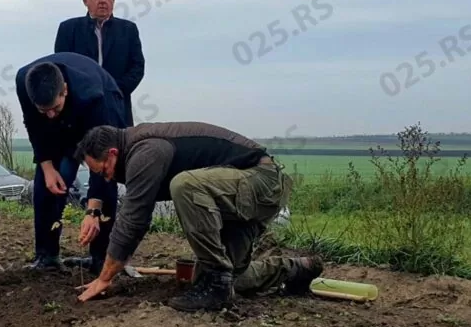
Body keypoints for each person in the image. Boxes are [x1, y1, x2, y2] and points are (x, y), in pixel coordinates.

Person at [73, 122, 324, 312]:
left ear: (113, 153)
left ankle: (217, 281)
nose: (106, 178)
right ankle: (295, 269)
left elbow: (134, 217)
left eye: (103, 170)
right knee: (226, 280)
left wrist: (104, 277)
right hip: (235, 195)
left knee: (183, 185)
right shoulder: (135, 149)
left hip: (259, 181)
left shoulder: (146, 150)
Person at [15, 53, 128, 275]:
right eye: (43, 110)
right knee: (46, 185)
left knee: (106, 181)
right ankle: (47, 256)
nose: (49, 115)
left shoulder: (95, 98)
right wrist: (47, 167)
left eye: (55, 108)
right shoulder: (24, 81)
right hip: (63, 127)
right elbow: (34, 126)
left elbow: (102, 167)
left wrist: (93, 211)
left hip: (100, 115)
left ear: (64, 90)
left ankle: (100, 259)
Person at [54, 0, 145, 126]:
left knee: (116, 149)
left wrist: (114, 90)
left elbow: (137, 67)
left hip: (118, 109)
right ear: (85, 0)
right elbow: (61, 68)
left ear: (113, 0)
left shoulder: (128, 30)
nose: (103, 0)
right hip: (79, 111)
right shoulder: (68, 29)